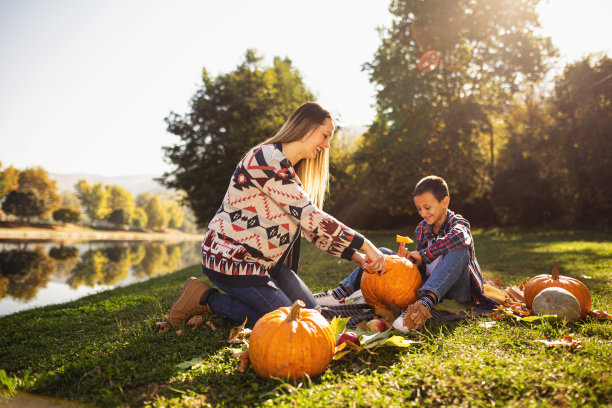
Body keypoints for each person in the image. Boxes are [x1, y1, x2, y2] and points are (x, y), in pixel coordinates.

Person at [167, 102, 385, 328]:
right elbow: (311, 216)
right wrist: (365, 244)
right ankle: (207, 300)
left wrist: (354, 256)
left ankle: (252, 302)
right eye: (325, 135)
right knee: (292, 324)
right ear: (307, 129)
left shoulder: (288, 172)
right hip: (232, 258)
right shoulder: (266, 159)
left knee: (316, 319)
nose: (327, 144)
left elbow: (310, 229)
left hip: (266, 264)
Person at [316, 175, 488, 332]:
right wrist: (409, 262)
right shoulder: (422, 228)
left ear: (445, 202)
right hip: (429, 287)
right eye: (419, 209)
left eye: (427, 207)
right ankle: (341, 293)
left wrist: (424, 254)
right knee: (382, 252)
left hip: (458, 293)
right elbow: (423, 269)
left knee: (459, 251)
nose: (423, 213)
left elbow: (459, 238)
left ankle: (421, 308)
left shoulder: (458, 223)